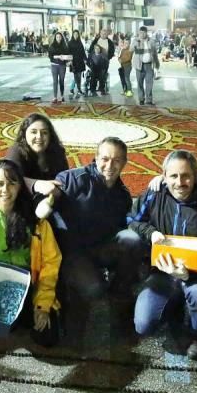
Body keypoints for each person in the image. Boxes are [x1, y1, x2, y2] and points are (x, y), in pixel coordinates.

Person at [130, 150, 197, 359]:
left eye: (185, 176)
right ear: (164, 176)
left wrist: (188, 275)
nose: (179, 182)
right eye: (173, 176)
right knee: (143, 325)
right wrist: (151, 233)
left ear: (196, 176)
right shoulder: (155, 193)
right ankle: (175, 304)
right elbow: (133, 219)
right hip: (162, 271)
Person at [0, 160, 62, 346]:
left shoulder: (37, 220)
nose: (5, 190)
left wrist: (43, 304)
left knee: (47, 337)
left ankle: (34, 312)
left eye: (12, 183)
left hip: (29, 285)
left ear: (20, 186)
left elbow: (51, 262)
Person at [48, 137, 143, 330]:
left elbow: (123, 226)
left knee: (131, 239)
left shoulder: (122, 195)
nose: (110, 165)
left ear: (124, 163)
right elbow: (49, 202)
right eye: (105, 159)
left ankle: (120, 291)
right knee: (94, 289)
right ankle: (68, 285)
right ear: (96, 158)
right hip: (73, 252)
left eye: (116, 160)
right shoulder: (73, 180)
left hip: (100, 248)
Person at [4, 113, 70, 196]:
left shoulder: (57, 151)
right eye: (33, 132)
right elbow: (9, 176)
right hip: (23, 199)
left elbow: (65, 177)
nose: (39, 136)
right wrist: (36, 184)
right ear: (24, 134)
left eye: (44, 133)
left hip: (53, 197)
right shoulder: (16, 151)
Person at [132, 26, 160, 106]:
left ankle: (149, 100)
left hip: (149, 65)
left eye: (143, 33)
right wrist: (137, 43)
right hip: (139, 65)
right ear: (139, 33)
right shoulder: (135, 40)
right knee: (140, 83)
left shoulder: (151, 41)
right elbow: (132, 49)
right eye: (140, 33)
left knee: (149, 83)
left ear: (146, 33)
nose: (142, 34)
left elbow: (154, 54)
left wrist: (157, 65)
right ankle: (141, 99)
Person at [88, 28, 114, 96]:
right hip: (95, 60)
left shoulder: (110, 42)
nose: (103, 35)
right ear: (100, 34)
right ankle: (92, 89)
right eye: (102, 33)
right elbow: (91, 50)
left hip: (104, 61)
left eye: (105, 34)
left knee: (102, 75)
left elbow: (112, 51)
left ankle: (101, 89)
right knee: (93, 75)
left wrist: (108, 58)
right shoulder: (96, 40)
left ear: (107, 34)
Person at [48, 31, 71, 103]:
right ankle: (55, 97)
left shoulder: (64, 46)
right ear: (55, 38)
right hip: (54, 65)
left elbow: (68, 55)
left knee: (61, 81)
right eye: (57, 37)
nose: (58, 38)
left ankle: (62, 96)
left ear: (62, 38)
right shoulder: (52, 46)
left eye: (60, 37)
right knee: (55, 81)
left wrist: (68, 61)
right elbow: (50, 56)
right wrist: (58, 56)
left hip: (62, 66)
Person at [67, 29, 87, 99]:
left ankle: (73, 88)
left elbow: (83, 52)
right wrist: (69, 61)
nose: (76, 36)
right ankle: (78, 89)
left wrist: (85, 59)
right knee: (76, 77)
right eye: (74, 34)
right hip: (73, 62)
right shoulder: (69, 43)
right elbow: (68, 52)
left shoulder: (80, 42)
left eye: (77, 34)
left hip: (80, 62)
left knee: (79, 76)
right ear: (73, 35)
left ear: (78, 35)